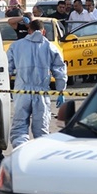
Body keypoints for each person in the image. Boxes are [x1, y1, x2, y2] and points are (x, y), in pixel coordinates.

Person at [7, 19, 68, 148]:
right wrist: (60, 90)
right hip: (41, 92)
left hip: (21, 91)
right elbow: (60, 70)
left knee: (19, 127)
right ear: (44, 31)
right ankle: (39, 158)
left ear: (29, 30)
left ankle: (20, 152)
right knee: (41, 129)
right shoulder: (51, 47)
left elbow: (7, 69)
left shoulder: (16, 46)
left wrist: (6, 88)